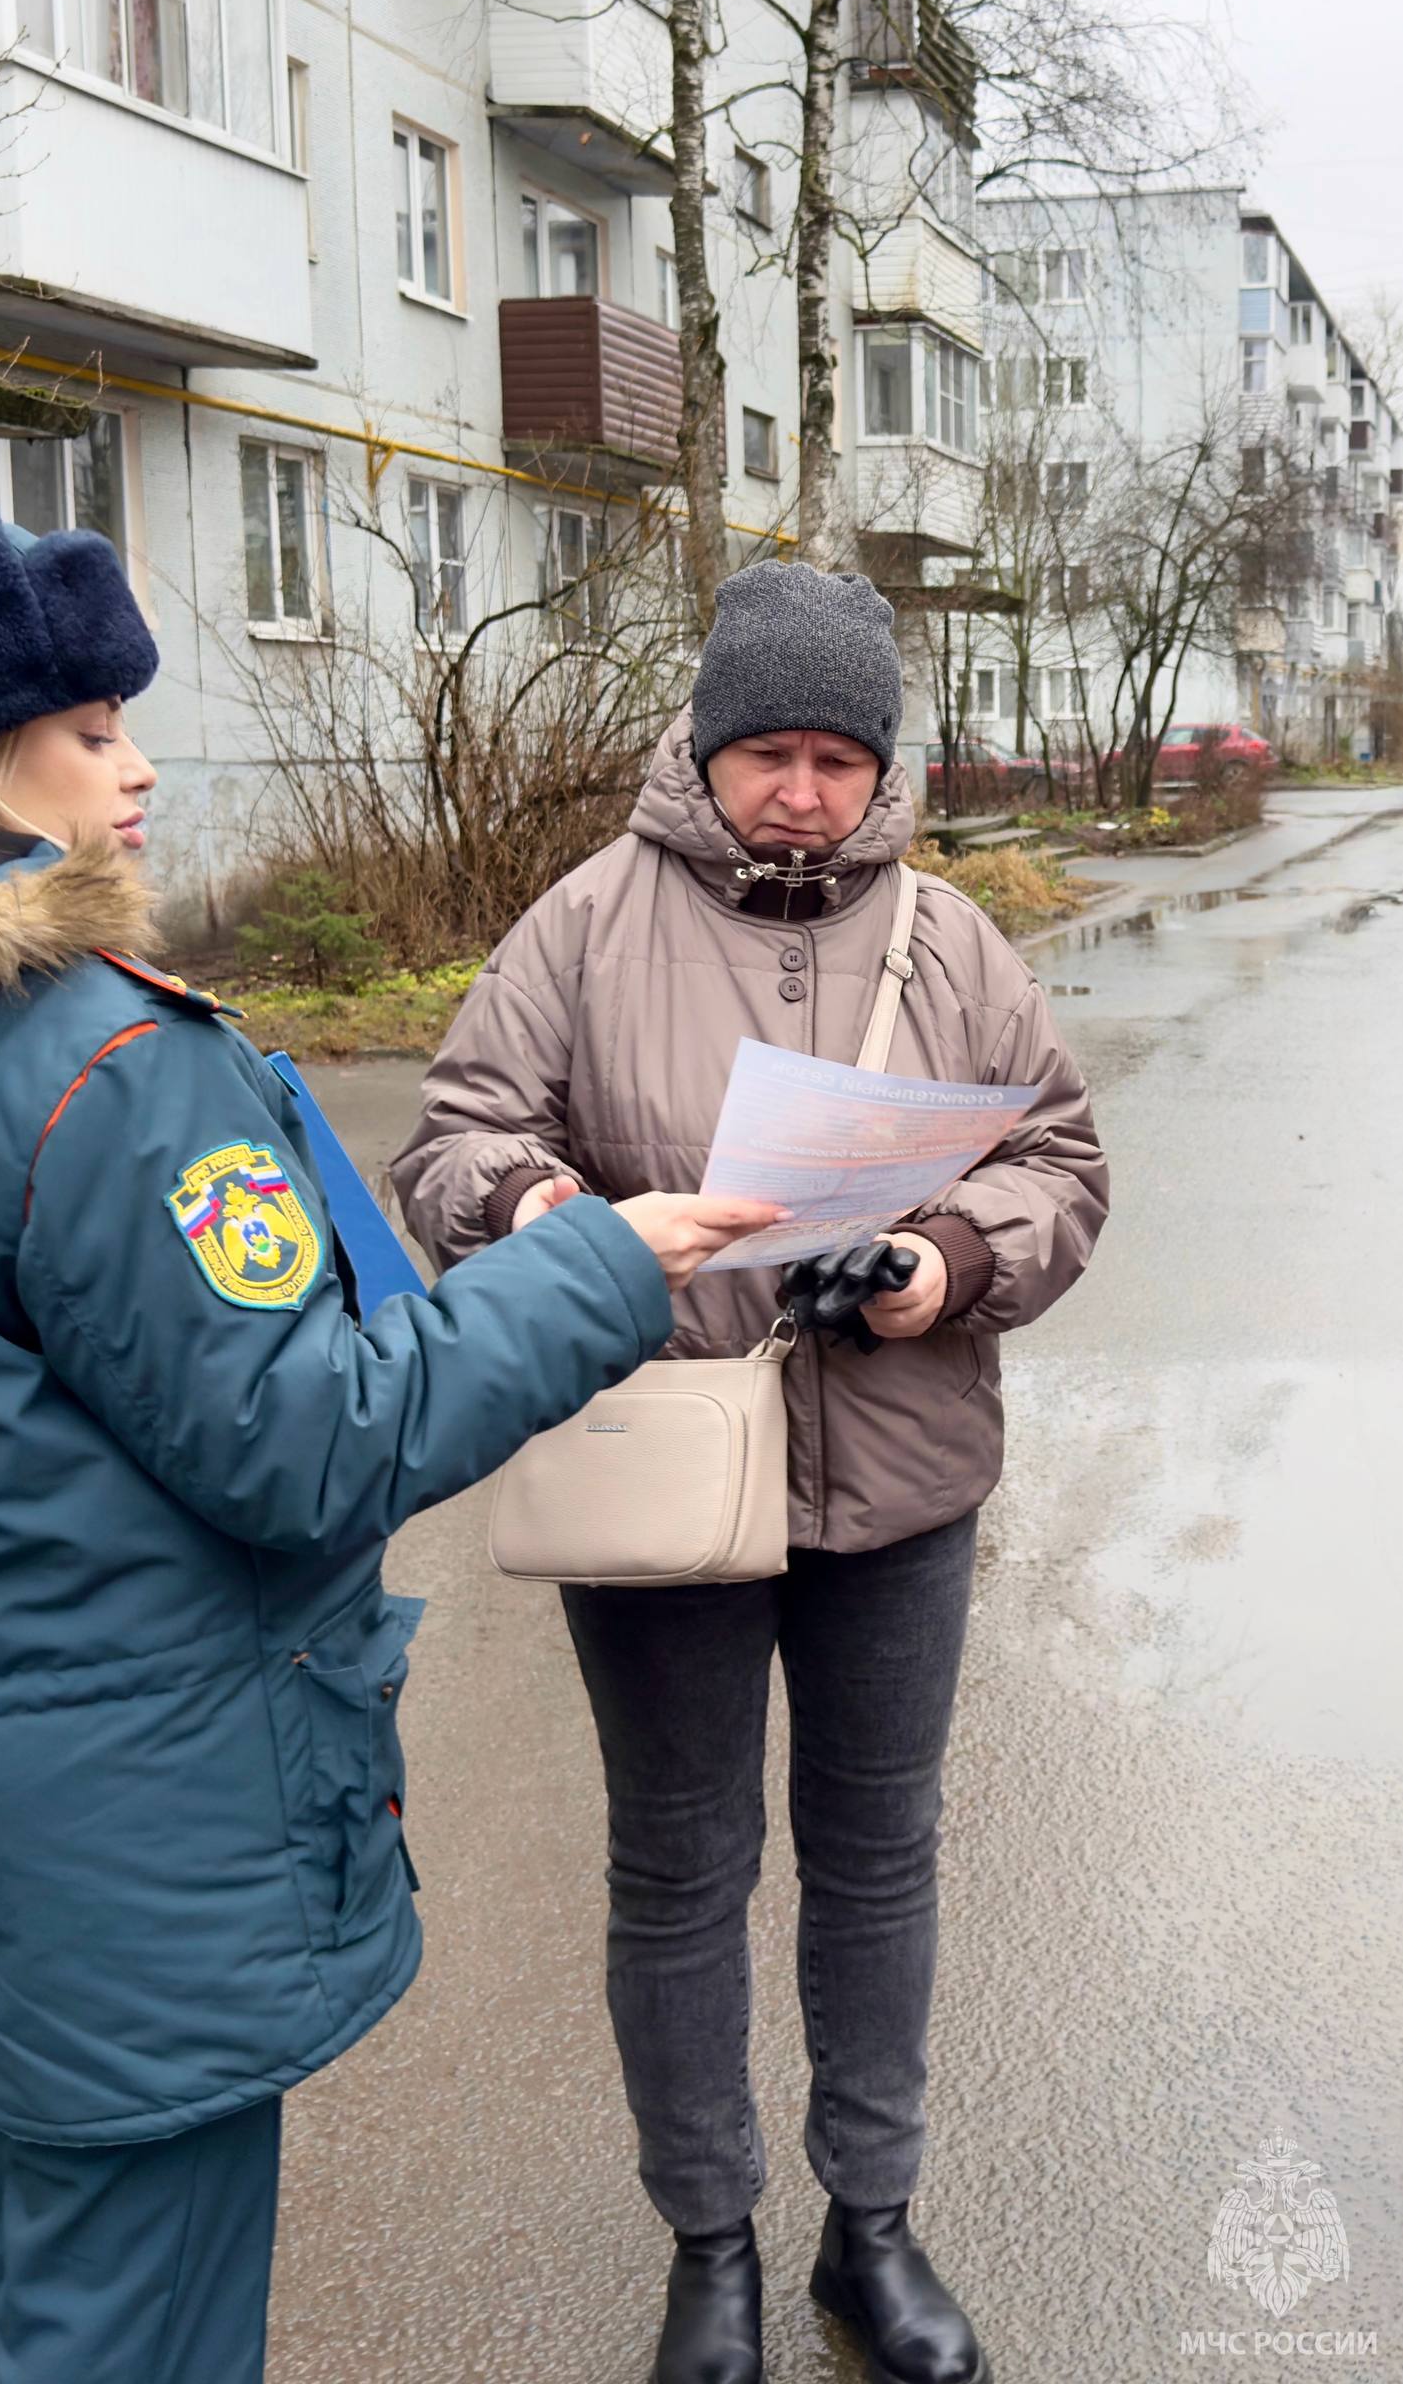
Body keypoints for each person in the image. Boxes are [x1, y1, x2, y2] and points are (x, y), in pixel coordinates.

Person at [0, 485, 781, 2384]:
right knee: (129, 2316)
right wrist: (607, 1276)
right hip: (127, 1803)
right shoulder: (87, 1059)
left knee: (56, 2259)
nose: (138, 769)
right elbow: (305, 1441)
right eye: (92, 732)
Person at [391, 561, 1110, 2384]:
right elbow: (454, 1141)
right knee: (679, 1868)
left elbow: (1059, 1160)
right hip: (663, 1482)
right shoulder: (580, 924)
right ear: (704, 749)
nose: (801, 791)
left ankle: (868, 2231)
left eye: (835, 757)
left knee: (877, 1863)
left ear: (881, 768)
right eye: (766, 753)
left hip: (901, 1478)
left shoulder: (952, 944)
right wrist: (547, 1213)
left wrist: (944, 1263)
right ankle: (707, 2244)